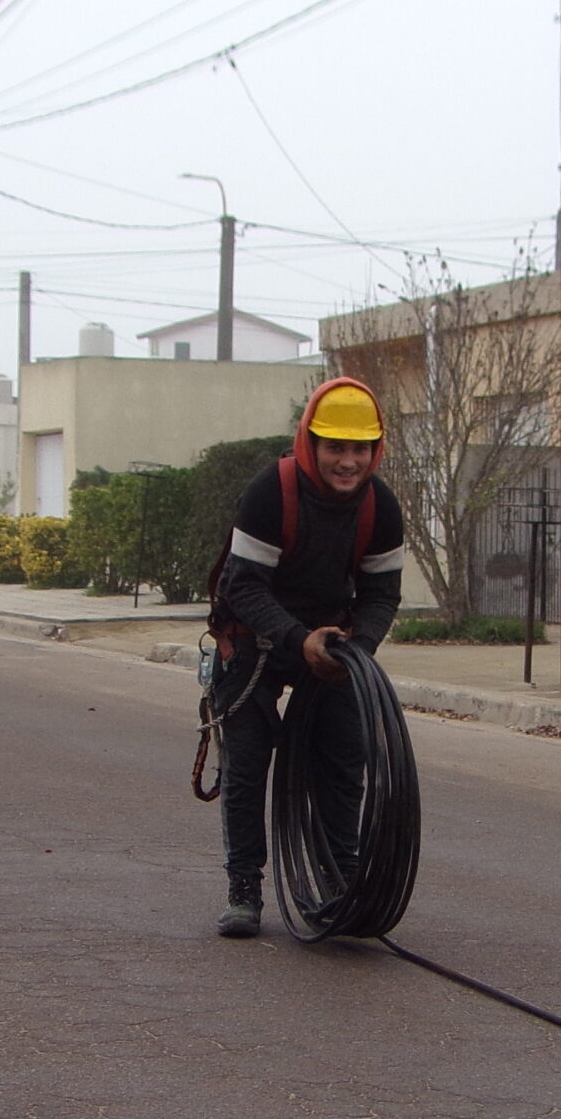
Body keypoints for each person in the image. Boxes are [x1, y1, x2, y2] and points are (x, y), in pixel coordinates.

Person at [205, 377, 406, 938]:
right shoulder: (271, 492)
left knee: (344, 759)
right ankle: (244, 889)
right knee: (247, 764)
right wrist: (298, 640)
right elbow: (242, 585)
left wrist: (356, 652)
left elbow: (381, 595)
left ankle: (340, 881)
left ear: (375, 450)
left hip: (334, 644)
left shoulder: (380, 506)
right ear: (310, 442)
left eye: (360, 449)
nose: (348, 462)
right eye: (335, 447)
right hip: (256, 638)